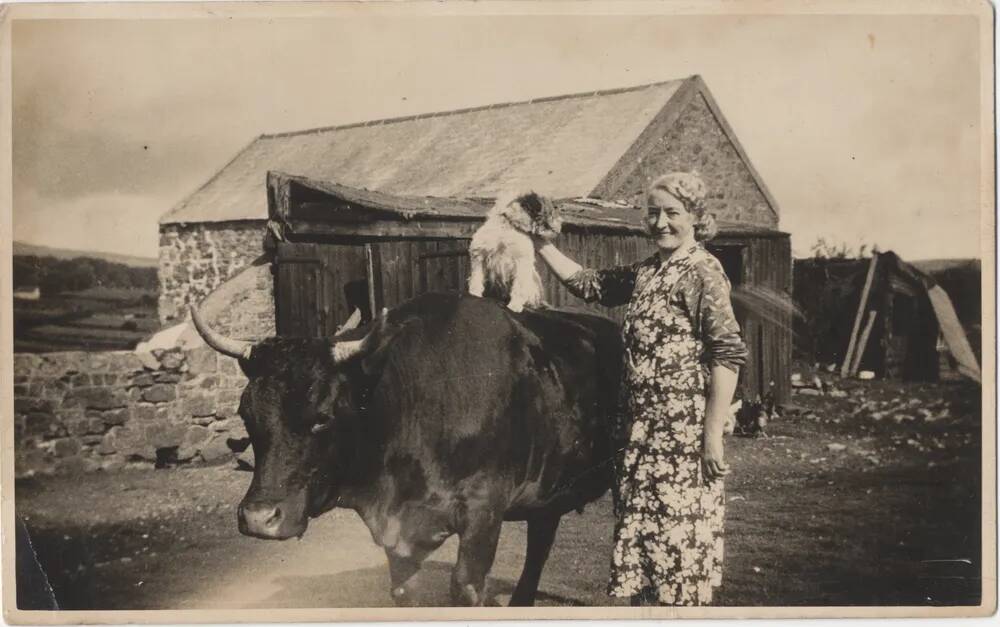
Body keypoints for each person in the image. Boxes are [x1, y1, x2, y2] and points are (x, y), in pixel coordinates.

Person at [533, 172, 748, 606]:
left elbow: (726, 356)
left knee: (676, 543)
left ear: (696, 217)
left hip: (681, 436)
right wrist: (540, 244)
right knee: (646, 543)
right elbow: (590, 284)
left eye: (672, 212)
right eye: (653, 213)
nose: (660, 222)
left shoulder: (704, 271)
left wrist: (710, 438)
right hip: (641, 432)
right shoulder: (649, 271)